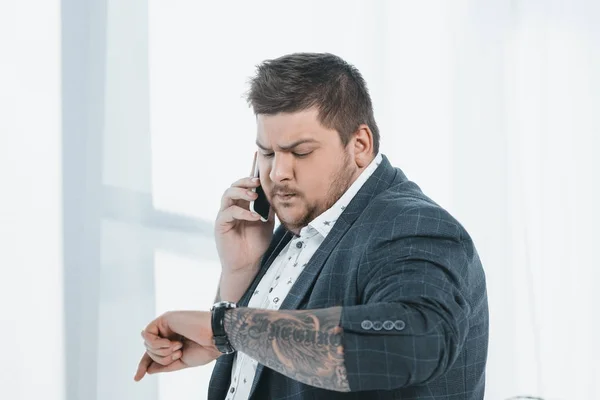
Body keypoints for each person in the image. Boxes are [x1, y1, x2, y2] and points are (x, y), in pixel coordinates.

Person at [134, 52, 489, 399]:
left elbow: (415, 341)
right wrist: (239, 275)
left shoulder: (414, 226)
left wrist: (225, 328)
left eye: (300, 152)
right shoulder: (297, 227)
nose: (277, 173)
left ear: (360, 145)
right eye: (268, 153)